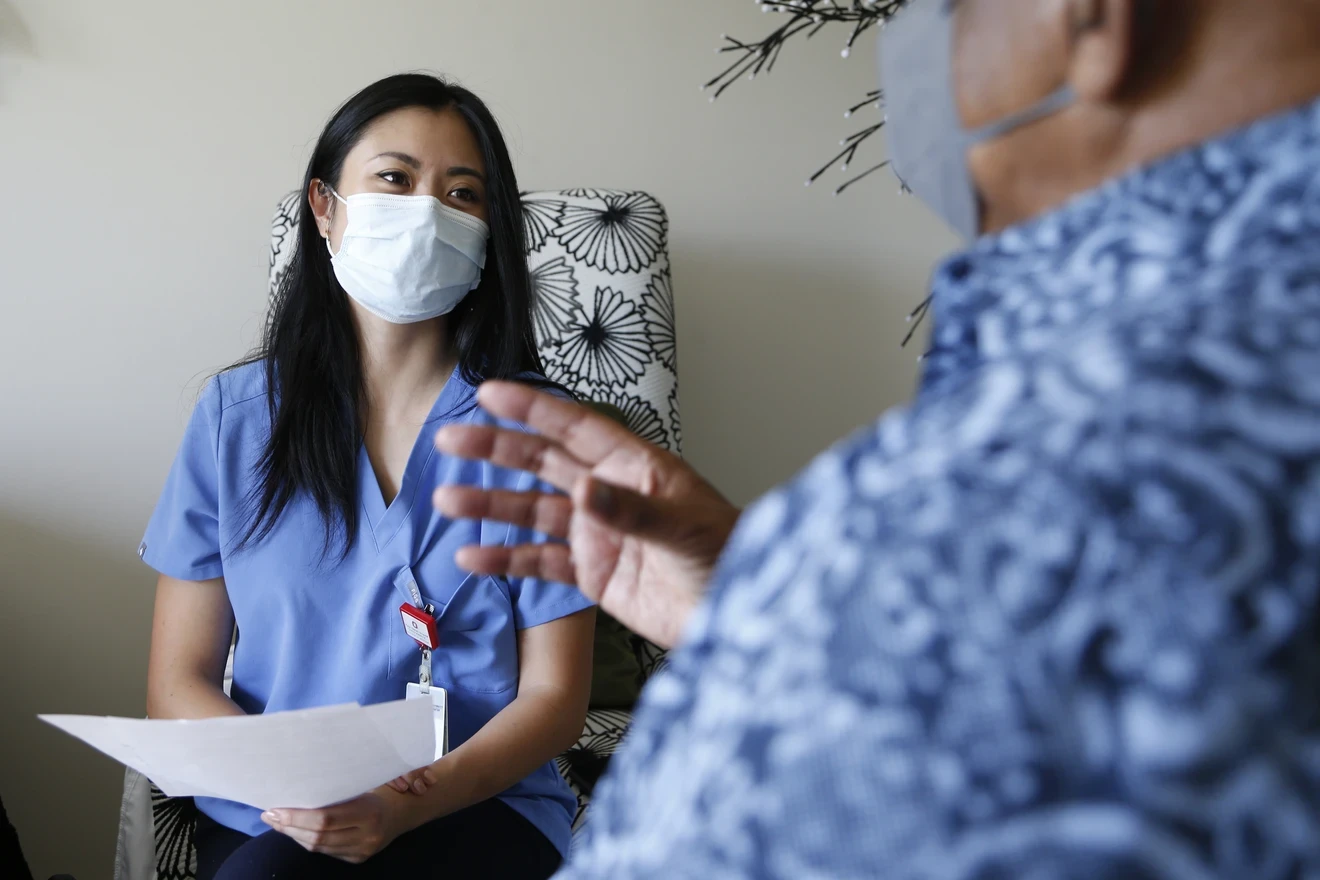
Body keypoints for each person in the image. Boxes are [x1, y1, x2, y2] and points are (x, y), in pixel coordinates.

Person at [420, 0, 1320, 876]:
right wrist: (762, 607)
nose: (914, 39)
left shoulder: (996, 511)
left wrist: (826, 611)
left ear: (1091, 18)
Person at [141, 73, 594, 880]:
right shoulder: (234, 419)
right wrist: (292, 791)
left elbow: (555, 701)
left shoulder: (542, 434)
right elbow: (178, 684)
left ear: (491, 233)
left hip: (476, 801)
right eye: (395, 179)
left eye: (462, 193)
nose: (426, 211)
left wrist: (406, 802)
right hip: (271, 806)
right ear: (324, 205)